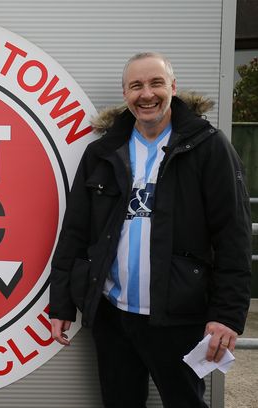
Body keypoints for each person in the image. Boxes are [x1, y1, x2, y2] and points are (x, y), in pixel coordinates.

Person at [48, 52, 252, 407]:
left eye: (156, 83)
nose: (147, 94)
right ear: (125, 93)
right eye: (136, 86)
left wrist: (226, 315)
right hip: (113, 316)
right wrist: (61, 304)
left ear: (173, 87)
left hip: (179, 318)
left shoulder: (208, 148)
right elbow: (76, 233)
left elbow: (233, 236)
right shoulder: (102, 153)